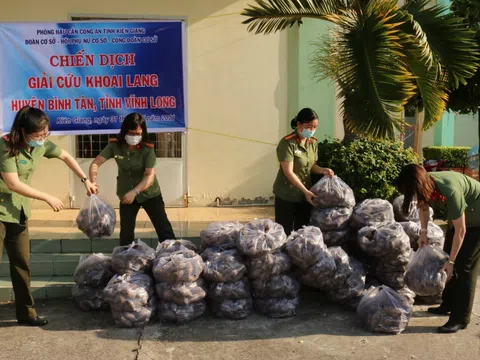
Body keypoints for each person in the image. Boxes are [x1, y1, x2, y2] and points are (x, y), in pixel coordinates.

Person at [0, 106, 97, 326]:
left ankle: (27, 314)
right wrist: (47, 197)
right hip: (0, 211)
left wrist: (85, 180)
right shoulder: (5, 146)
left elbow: (66, 156)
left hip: (18, 212)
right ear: (23, 131)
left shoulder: (41, 145)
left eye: (45, 134)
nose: (42, 138)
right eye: (38, 135)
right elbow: (12, 183)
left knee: (22, 264)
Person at [396, 164, 480, 333]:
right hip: (460, 220)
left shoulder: (450, 190)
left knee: (463, 267)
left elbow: (461, 230)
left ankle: (460, 318)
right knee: (445, 261)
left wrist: (452, 261)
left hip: (477, 220)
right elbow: (423, 207)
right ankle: (447, 304)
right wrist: (424, 232)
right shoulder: (427, 184)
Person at [89, 112, 175, 246]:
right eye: (131, 133)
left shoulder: (147, 149)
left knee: (163, 228)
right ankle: (125, 259)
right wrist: (92, 182)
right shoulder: (114, 146)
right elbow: (95, 163)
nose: (135, 137)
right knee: (126, 233)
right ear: (124, 131)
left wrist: (135, 192)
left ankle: (174, 257)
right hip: (126, 193)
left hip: (149, 193)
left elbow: (149, 175)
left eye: (138, 134)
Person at [273, 108, 334, 235]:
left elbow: (312, 166)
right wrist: (305, 191)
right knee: (284, 234)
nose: (311, 130)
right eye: (309, 126)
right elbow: (288, 171)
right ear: (299, 124)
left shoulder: (313, 142)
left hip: (305, 197)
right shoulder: (287, 143)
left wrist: (324, 170)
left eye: (315, 127)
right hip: (287, 195)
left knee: (302, 233)